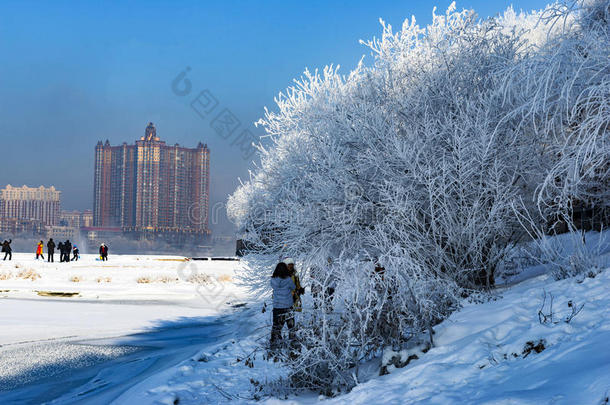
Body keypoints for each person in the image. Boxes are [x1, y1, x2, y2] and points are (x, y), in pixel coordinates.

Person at [270, 262, 296, 349]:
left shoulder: (272, 280)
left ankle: (274, 345)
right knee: (291, 327)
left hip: (277, 306)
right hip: (288, 306)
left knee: (276, 327)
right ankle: (293, 345)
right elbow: (293, 287)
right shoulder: (288, 279)